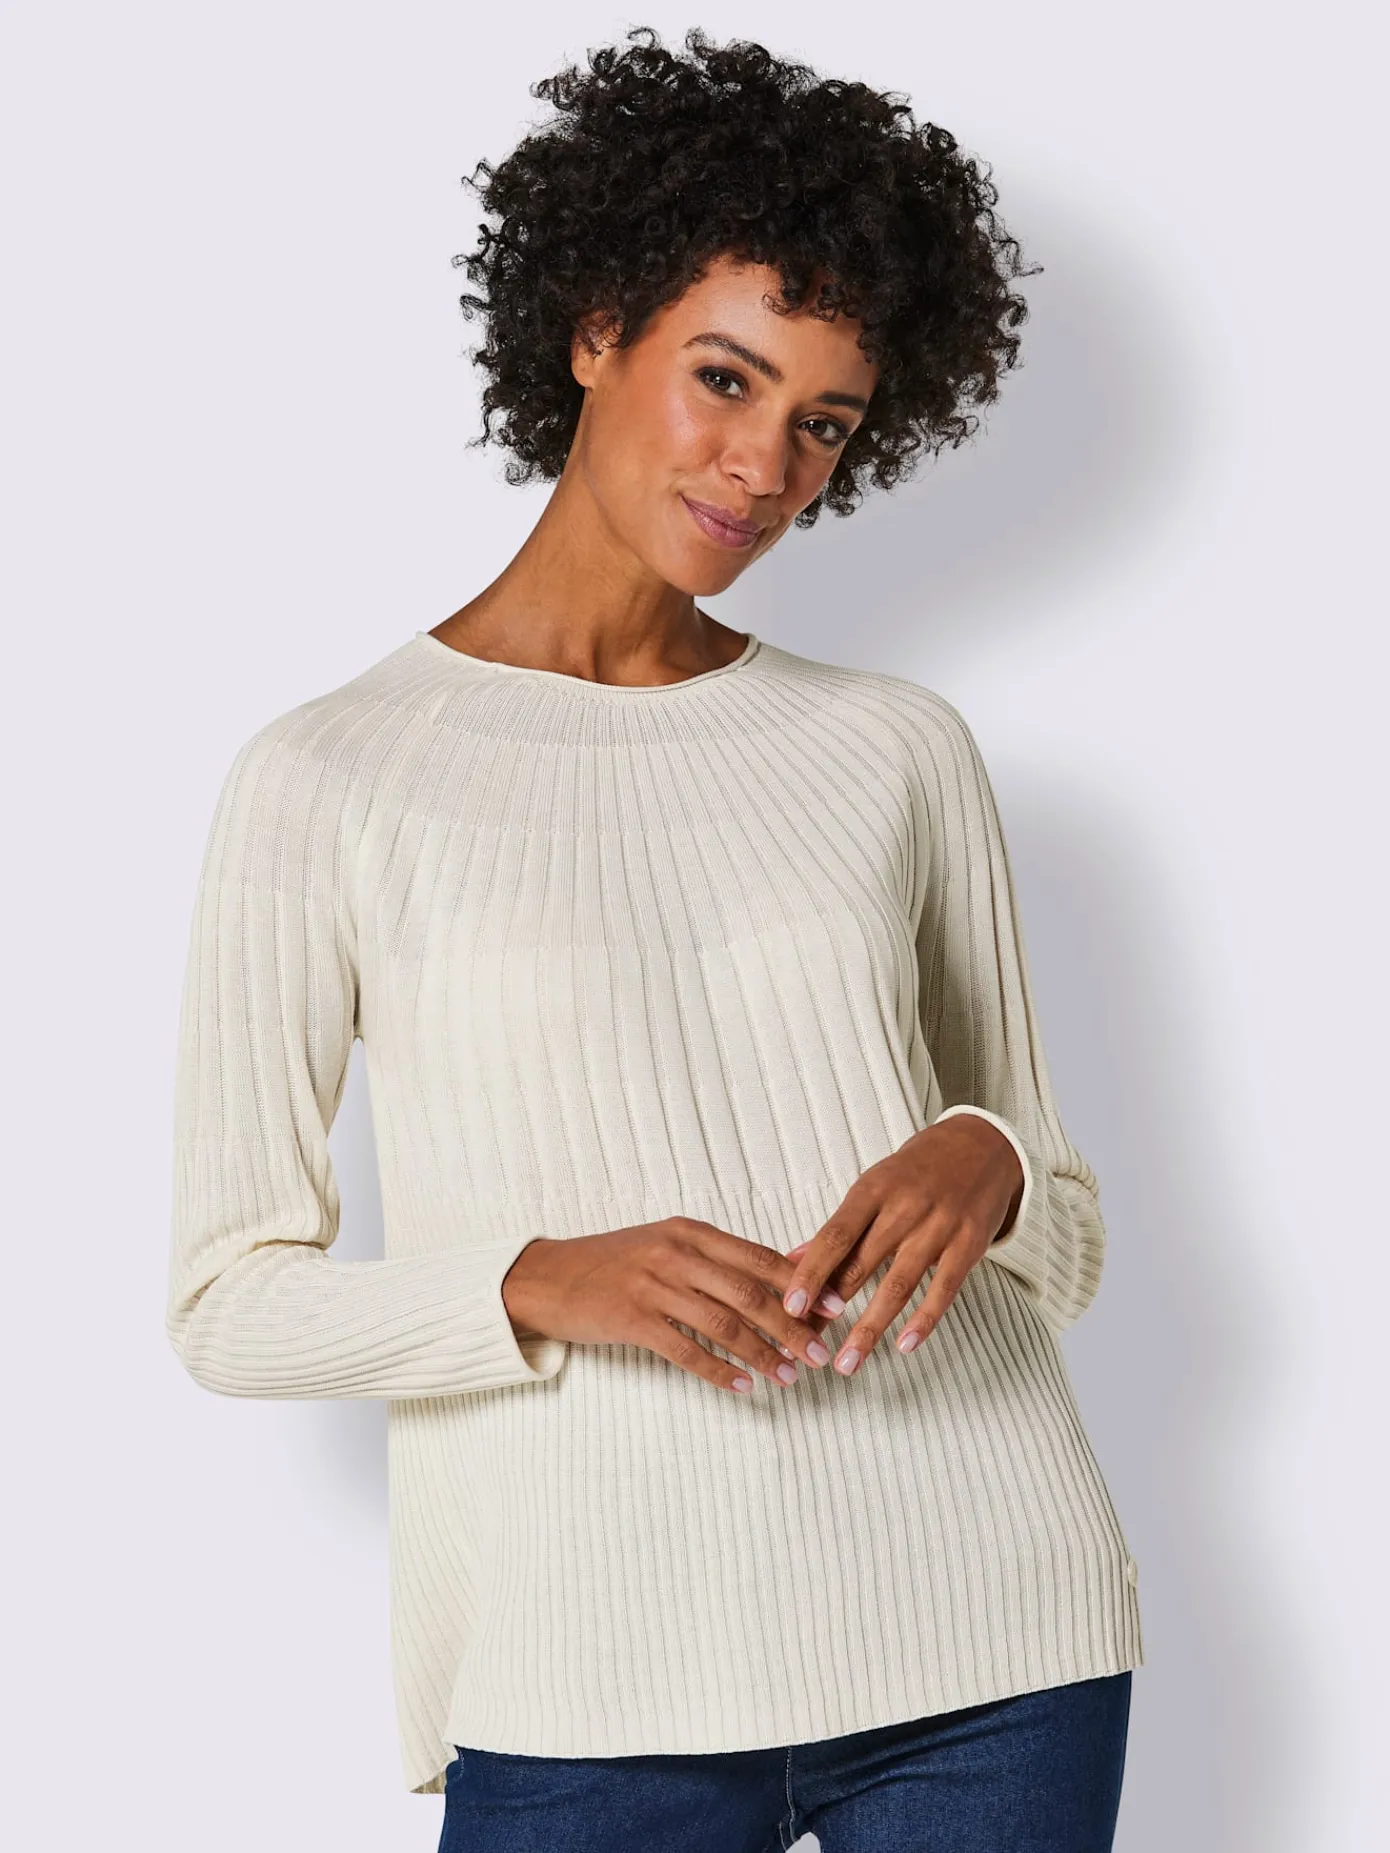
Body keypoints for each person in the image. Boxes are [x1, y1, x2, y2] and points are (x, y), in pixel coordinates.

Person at [166, 25, 1142, 1852]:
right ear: (593, 328)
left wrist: (987, 1158)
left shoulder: (891, 747)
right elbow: (226, 1306)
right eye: (722, 377)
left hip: (992, 1629)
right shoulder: (332, 778)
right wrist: (537, 1280)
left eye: (822, 424)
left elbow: (1067, 1237)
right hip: (586, 1681)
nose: (762, 465)